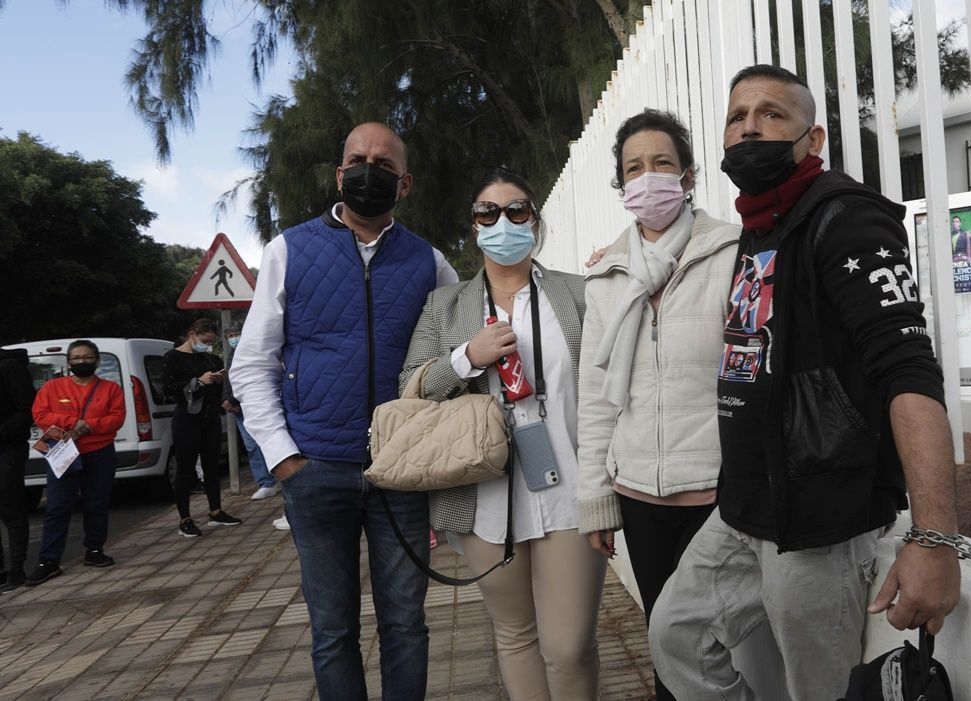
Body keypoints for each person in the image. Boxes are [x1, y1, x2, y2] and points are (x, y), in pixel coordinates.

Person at [649, 64, 962, 699]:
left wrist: (934, 538)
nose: (750, 129)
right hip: (743, 510)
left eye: (772, 115)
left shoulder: (847, 219)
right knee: (676, 637)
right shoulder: (758, 229)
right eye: (737, 117)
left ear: (812, 139)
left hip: (821, 523)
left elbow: (908, 373)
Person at [232, 121, 459, 701]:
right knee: (332, 631)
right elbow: (252, 365)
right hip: (315, 469)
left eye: (383, 164)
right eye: (357, 159)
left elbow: (456, 357)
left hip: (400, 471)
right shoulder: (288, 250)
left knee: (406, 624)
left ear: (403, 184)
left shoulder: (429, 263)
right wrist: (283, 459)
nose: (368, 170)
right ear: (339, 174)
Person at [400, 166, 601, 700]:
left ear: (535, 220)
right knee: (514, 635)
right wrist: (468, 356)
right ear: (473, 226)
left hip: (570, 487)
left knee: (569, 645)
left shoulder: (579, 294)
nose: (503, 221)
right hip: (484, 496)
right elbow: (411, 389)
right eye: (488, 212)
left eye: (516, 210)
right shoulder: (444, 306)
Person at [577, 109, 740, 701]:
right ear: (622, 188)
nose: (649, 178)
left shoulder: (732, 252)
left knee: (725, 644)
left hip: (720, 495)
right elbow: (598, 401)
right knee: (665, 645)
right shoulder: (607, 273)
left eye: (662, 164)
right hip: (640, 494)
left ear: (689, 175)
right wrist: (597, 497)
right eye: (634, 169)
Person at [27, 340, 126, 586]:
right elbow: (40, 415)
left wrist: (91, 426)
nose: (82, 362)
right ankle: (48, 561)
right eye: (76, 358)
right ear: (69, 361)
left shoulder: (111, 389)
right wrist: (72, 422)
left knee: (97, 503)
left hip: (100, 452)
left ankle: (94, 551)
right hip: (62, 452)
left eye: (87, 357)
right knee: (57, 507)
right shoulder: (52, 387)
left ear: (97, 360)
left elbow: (117, 418)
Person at [162, 318, 242, 537]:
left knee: (212, 465)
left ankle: (216, 511)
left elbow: (218, 390)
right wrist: (198, 381)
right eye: (204, 340)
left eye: (210, 341)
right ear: (192, 334)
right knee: (186, 468)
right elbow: (168, 388)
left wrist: (217, 383)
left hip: (210, 416)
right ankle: (185, 519)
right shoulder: (173, 357)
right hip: (186, 417)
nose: (206, 345)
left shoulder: (211, 358)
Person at [220, 326, 276, 500]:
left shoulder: (251, 352)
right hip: (239, 409)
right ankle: (266, 483)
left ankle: (278, 478)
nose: (234, 338)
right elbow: (229, 380)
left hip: (254, 405)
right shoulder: (231, 355)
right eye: (230, 336)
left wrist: (232, 400)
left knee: (269, 441)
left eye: (236, 334)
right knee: (251, 447)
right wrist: (226, 402)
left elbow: (249, 378)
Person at [0, 347, 35, 593]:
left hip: (8, 448)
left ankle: (16, 570)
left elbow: (26, 409)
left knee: (11, 508)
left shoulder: (9, 366)